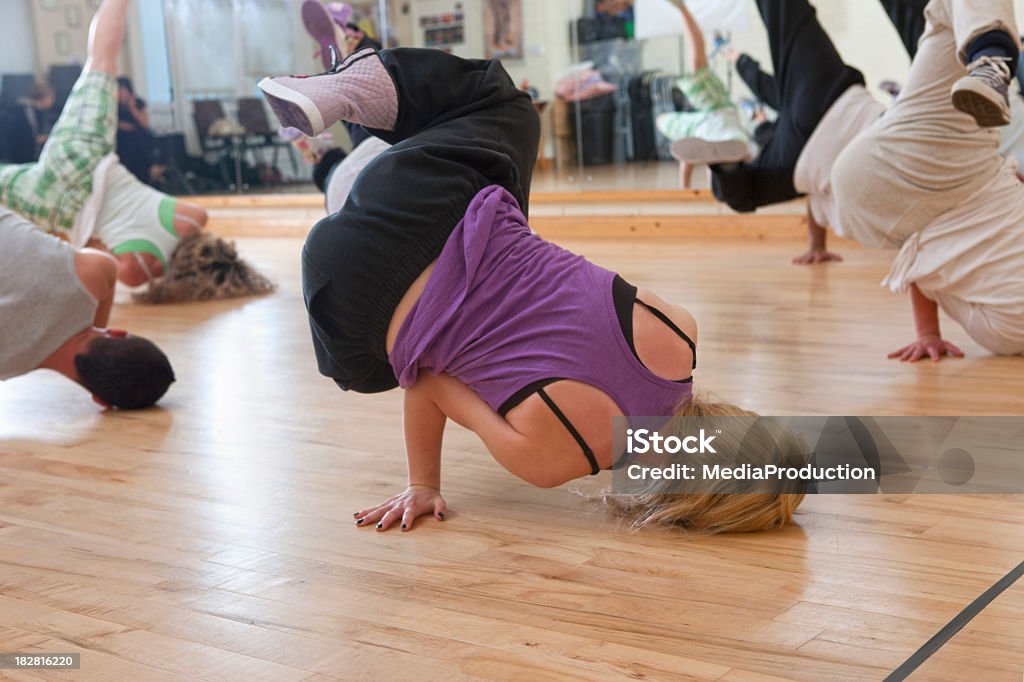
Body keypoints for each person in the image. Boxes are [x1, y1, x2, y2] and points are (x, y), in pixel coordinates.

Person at [258, 47, 808, 533]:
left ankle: (353, 91)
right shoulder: (551, 462)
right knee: (388, 361)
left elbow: (561, 296)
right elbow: (423, 380)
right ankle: (341, 168)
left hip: (418, 201)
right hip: (342, 301)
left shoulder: (676, 330)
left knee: (505, 109)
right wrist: (422, 486)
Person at [832, 0, 1024, 362]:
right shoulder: (1000, 331)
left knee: (945, 14)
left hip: (948, 174)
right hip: (891, 213)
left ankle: (991, 58)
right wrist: (928, 334)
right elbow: (928, 265)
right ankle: (989, 58)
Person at [0, 0, 208, 288]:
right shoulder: (139, 272)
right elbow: (90, 259)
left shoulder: (195, 220)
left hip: (84, 163)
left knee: (101, 62)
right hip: (53, 207)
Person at [0, 207, 175, 408]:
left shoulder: (95, 275)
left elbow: (106, 268)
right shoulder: (5, 364)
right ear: (99, 399)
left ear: (118, 333)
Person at [652, 0, 758, 189]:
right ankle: (744, 149)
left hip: (710, 125)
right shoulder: (696, 132)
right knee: (698, 65)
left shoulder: (692, 134)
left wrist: (684, 189)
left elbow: (687, 157)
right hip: (719, 120)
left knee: (671, 124)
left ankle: (739, 153)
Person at [116, 76, 166, 187]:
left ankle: (151, 168)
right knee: (128, 140)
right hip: (122, 137)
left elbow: (144, 124)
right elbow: (115, 124)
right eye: (119, 90)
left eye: (124, 90)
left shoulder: (137, 103)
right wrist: (128, 127)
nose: (122, 94)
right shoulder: (113, 105)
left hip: (138, 135)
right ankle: (150, 170)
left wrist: (132, 108)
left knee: (143, 137)